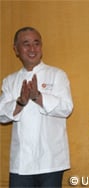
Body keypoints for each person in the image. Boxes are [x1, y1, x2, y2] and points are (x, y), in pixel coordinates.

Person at [0, 27, 73, 187]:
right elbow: (1, 115)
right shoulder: (10, 81)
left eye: (36, 43)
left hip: (51, 161)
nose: (32, 49)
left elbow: (67, 108)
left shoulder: (57, 75)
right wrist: (20, 102)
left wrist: (37, 97)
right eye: (26, 44)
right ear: (16, 50)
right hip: (21, 162)